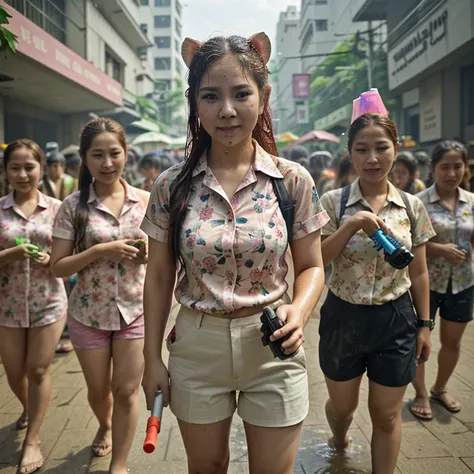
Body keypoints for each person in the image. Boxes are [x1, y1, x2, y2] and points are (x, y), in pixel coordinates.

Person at [141, 32, 328, 474]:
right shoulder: (171, 185)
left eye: (241, 93)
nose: (226, 109)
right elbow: (158, 276)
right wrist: (151, 358)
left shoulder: (293, 180)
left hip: (272, 346)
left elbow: (313, 266)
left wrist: (298, 312)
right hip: (196, 346)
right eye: (211, 96)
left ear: (262, 98)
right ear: (196, 105)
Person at [319, 102, 435, 474]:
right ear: (350, 154)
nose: (372, 158)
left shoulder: (412, 207)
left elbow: (419, 273)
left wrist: (424, 324)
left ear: (396, 148)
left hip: (395, 318)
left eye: (381, 147)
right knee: (342, 408)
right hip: (343, 315)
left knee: (385, 416)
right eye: (362, 149)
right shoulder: (332, 203)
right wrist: (352, 224)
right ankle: (339, 437)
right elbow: (316, 260)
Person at [50, 118, 150, 474]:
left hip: (136, 311)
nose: (108, 163)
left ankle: (119, 465)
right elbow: (57, 267)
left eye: (114, 153)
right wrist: (99, 250)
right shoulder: (72, 207)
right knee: (99, 391)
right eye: (98, 155)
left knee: (126, 390)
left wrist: (146, 255)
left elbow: (163, 259)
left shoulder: (146, 202)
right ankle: (104, 423)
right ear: (84, 159)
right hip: (87, 314)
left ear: (126, 155)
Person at [0, 139, 68, 474]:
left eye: (30, 166)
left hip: (48, 301)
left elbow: (69, 256)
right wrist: (9, 255)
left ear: (41, 168)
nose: (23, 174)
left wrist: (53, 258)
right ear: (6, 171)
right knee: (14, 372)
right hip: (7, 304)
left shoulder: (59, 209)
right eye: (15, 167)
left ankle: (34, 439)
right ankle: (29, 407)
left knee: (38, 369)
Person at [410, 141, 474, 420]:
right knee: (420, 342)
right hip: (427, 282)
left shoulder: (471, 202)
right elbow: (410, 243)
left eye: (457, 166)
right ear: (432, 169)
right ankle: (421, 392)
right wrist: (440, 249)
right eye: (444, 167)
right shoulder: (419, 202)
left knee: (453, 342)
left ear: (465, 168)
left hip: (463, 281)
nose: (451, 173)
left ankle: (440, 388)